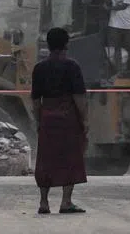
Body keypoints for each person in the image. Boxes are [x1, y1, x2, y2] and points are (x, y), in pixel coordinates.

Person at [31, 27, 88, 215]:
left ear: (48, 45)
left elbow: (35, 101)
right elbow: (79, 98)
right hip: (67, 117)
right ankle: (65, 202)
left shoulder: (39, 68)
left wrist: (39, 120)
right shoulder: (72, 67)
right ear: (66, 45)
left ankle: (43, 202)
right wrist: (84, 120)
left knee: (46, 159)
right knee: (70, 158)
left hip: (47, 116)